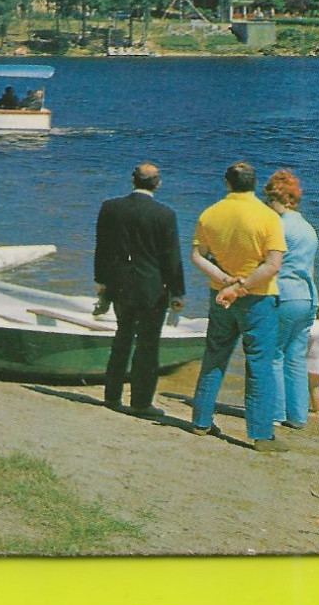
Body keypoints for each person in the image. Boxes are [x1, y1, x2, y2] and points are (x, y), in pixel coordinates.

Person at [188, 161, 288, 451]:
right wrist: (242, 286)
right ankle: (260, 434)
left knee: (215, 355)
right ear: (255, 184)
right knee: (259, 364)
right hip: (258, 297)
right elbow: (273, 265)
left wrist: (224, 280)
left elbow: (197, 255)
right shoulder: (268, 217)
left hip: (220, 294)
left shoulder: (210, 213)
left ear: (227, 183)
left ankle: (201, 421)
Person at [92, 162, 185, 417]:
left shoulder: (111, 207)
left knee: (121, 338)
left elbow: (102, 248)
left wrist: (101, 281)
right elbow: (171, 257)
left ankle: (112, 396)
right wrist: (178, 291)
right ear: (158, 183)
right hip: (151, 288)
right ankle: (141, 402)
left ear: (133, 181)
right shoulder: (165, 214)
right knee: (147, 346)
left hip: (119, 284)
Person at [265, 169, 319, 429]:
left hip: (284, 294)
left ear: (284, 199)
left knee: (274, 354)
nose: (268, 206)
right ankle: (297, 416)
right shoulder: (309, 228)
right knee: (296, 356)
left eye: (270, 200)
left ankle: (275, 413)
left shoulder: (278, 226)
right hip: (308, 297)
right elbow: (311, 268)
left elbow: (269, 264)